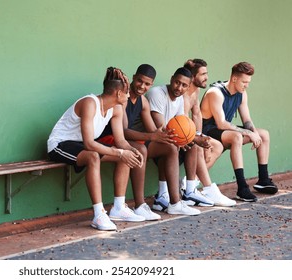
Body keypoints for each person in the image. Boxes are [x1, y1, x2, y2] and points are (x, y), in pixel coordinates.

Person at [47, 67, 146, 231]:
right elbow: (89, 144)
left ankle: (119, 207)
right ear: (118, 94)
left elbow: (121, 141)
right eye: (127, 93)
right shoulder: (89, 103)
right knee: (93, 156)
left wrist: (131, 151)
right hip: (60, 145)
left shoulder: (116, 109)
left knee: (125, 156)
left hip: (80, 145)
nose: (129, 96)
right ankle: (99, 214)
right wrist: (120, 152)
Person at [97, 64, 200, 217]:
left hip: (131, 141)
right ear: (133, 78)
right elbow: (123, 132)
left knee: (170, 148)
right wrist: (152, 137)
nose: (142, 86)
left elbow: (153, 130)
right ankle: (139, 205)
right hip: (109, 138)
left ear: (151, 84)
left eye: (147, 84)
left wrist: (173, 139)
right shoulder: (122, 98)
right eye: (139, 81)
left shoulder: (143, 102)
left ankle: (175, 203)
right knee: (141, 149)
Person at [200, 62, 278, 202]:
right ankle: (242, 188)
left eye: (248, 82)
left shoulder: (242, 93)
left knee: (263, 134)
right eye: (244, 82)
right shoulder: (215, 93)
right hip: (208, 131)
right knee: (237, 137)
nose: (246, 85)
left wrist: (254, 133)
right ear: (234, 79)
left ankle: (263, 180)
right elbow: (221, 123)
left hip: (226, 130)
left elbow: (247, 120)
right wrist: (248, 133)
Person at [146, 67, 214, 209]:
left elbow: (183, 125)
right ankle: (163, 195)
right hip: (150, 139)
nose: (179, 87)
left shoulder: (180, 99)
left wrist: (194, 138)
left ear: (188, 86)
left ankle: (189, 191)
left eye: (184, 85)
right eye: (177, 83)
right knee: (172, 146)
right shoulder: (156, 93)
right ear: (171, 79)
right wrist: (194, 138)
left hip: (166, 138)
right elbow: (162, 129)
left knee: (191, 144)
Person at [183, 59, 236, 207]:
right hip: (179, 135)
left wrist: (200, 135)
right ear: (193, 77)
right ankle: (207, 188)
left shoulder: (196, 90)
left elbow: (197, 114)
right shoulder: (184, 93)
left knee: (216, 146)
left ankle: (189, 184)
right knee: (199, 148)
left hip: (191, 133)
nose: (207, 77)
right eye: (203, 74)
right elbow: (180, 121)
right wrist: (197, 140)